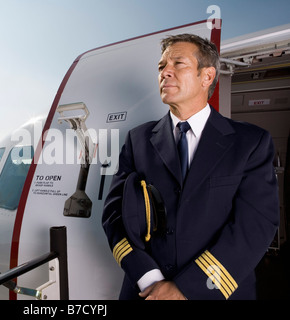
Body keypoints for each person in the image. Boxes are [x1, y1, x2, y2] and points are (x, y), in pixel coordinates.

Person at [102, 33, 279, 300]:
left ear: (207, 76)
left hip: (215, 291)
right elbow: (114, 216)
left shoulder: (250, 142)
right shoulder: (137, 140)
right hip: (147, 292)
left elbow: (255, 225)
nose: (165, 72)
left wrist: (185, 288)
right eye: (161, 67)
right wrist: (150, 279)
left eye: (178, 64)